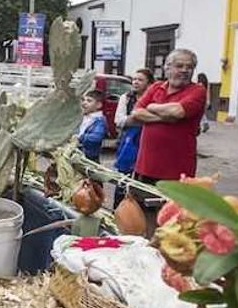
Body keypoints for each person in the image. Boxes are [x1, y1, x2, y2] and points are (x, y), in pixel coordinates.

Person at [131, 49, 207, 183]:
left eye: (189, 67)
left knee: (172, 205)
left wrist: (151, 106)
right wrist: (166, 118)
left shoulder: (197, 91)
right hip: (145, 167)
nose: (184, 70)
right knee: (139, 203)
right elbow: (136, 113)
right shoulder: (156, 87)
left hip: (177, 172)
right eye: (179, 66)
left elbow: (177, 112)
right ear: (167, 68)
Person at [113, 68, 153, 205]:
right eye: (134, 79)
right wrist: (141, 118)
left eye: (140, 80)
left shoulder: (154, 98)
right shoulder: (126, 98)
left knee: (142, 177)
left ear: (149, 83)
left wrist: (135, 118)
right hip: (128, 141)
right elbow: (119, 120)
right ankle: (118, 209)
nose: (136, 82)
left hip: (148, 140)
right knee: (123, 177)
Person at [77, 89, 108, 162]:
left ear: (98, 105)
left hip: (89, 158)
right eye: (83, 100)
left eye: (89, 101)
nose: (84, 103)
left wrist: (79, 137)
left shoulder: (99, 121)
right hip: (77, 155)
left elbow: (96, 138)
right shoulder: (82, 117)